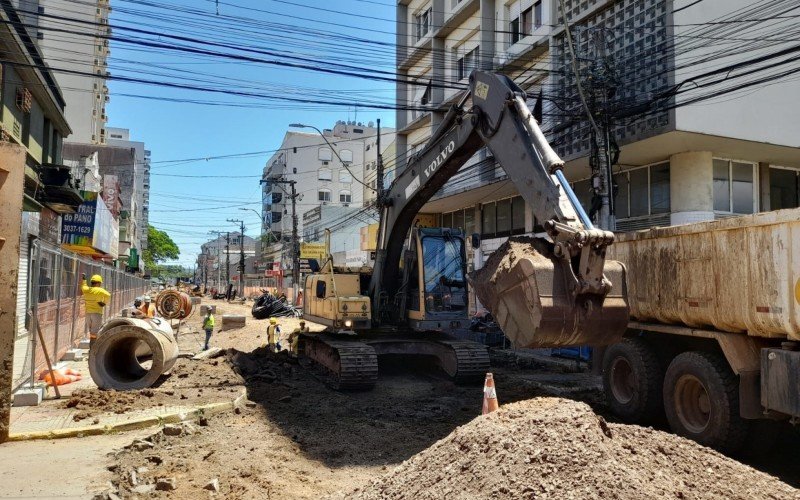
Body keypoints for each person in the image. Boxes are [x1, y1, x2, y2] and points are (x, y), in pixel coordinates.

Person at [81, 273, 110, 346]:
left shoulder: (86, 290)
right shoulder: (100, 290)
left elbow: (83, 286)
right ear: (99, 283)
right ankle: (93, 347)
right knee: (95, 332)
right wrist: (103, 303)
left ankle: (92, 346)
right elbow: (108, 295)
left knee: (91, 331)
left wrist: (84, 279)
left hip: (88, 314)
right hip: (97, 313)